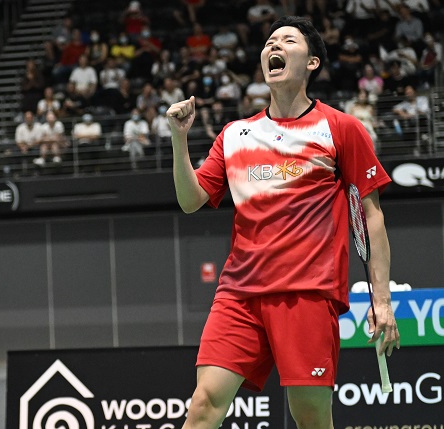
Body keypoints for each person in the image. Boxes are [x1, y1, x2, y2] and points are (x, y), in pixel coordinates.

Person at [166, 16, 399, 428]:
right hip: (239, 292)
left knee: (310, 417)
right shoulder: (235, 134)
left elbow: (371, 216)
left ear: (311, 62)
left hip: (306, 292)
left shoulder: (340, 128)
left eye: (288, 40)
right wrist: (179, 138)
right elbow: (190, 201)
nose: (274, 45)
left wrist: (382, 301)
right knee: (203, 405)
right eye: (270, 41)